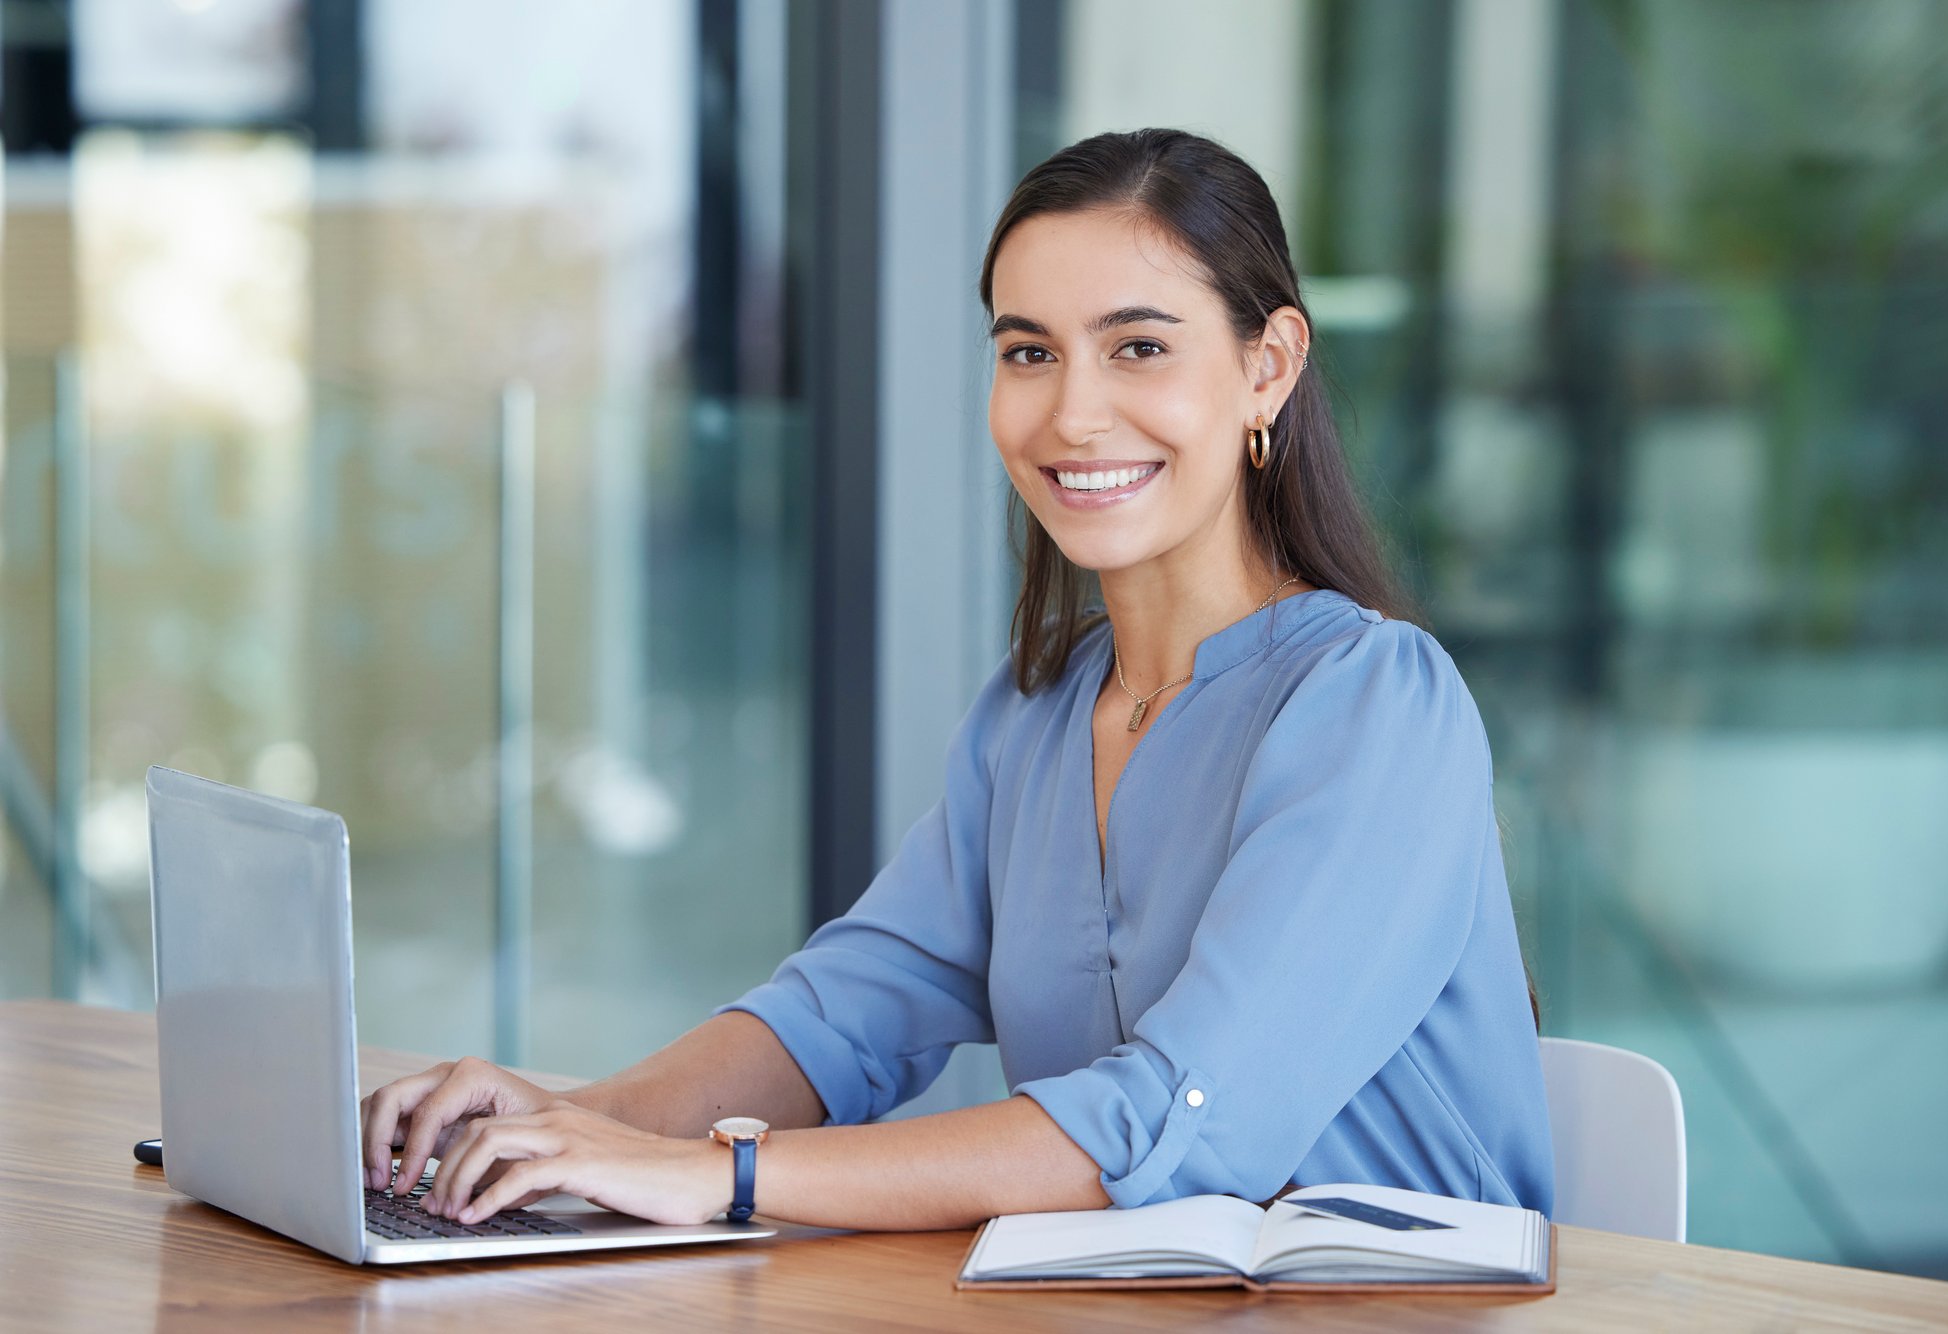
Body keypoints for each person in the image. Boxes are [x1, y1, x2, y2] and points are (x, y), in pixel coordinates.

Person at [360, 128, 1555, 1232]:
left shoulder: (1373, 703)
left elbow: (1176, 1125)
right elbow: (844, 1012)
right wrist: (579, 1121)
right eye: (1028, 352)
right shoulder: (1032, 717)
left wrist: (713, 1172)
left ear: (1267, 368)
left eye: (1137, 346)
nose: (1073, 412)